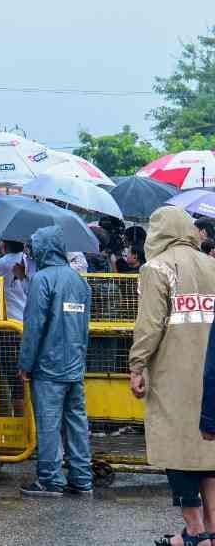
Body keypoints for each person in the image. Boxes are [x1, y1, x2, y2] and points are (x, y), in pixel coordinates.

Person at [134, 208, 215, 546]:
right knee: (209, 451)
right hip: (211, 374)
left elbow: (150, 325)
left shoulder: (157, 268)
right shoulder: (212, 265)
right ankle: (212, 531)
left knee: (175, 450)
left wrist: (137, 365)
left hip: (172, 375)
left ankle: (194, 532)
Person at [17, 225, 93, 497]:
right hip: (74, 365)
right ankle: (82, 478)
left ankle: (49, 479)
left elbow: (34, 325)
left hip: (48, 367)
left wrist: (25, 364)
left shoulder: (42, 279)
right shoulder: (79, 280)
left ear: (42, 249)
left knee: (48, 425)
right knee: (76, 423)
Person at [0, 237, 33, 321]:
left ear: (3, 245)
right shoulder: (30, 260)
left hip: (14, 321)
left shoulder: (4, 263)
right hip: (29, 317)